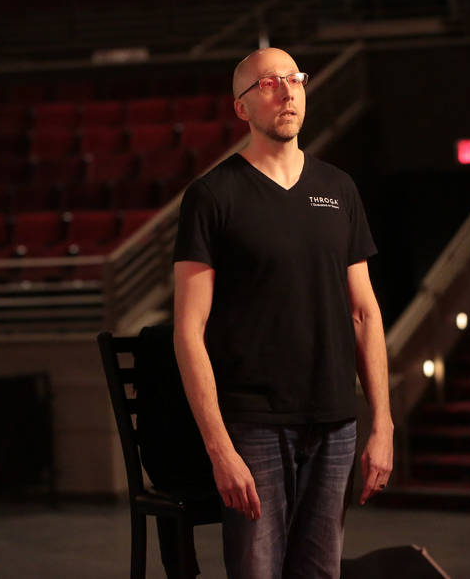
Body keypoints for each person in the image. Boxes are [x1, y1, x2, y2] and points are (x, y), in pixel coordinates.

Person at [173, 47, 393, 579]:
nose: (288, 91)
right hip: (254, 424)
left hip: (335, 419)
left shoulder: (338, 189)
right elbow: (188, 330)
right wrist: (219, 448)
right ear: (242, 108)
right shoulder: (212, 196)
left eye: (295, 79)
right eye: (270, 83)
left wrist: (382, 422)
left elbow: (364, 312)